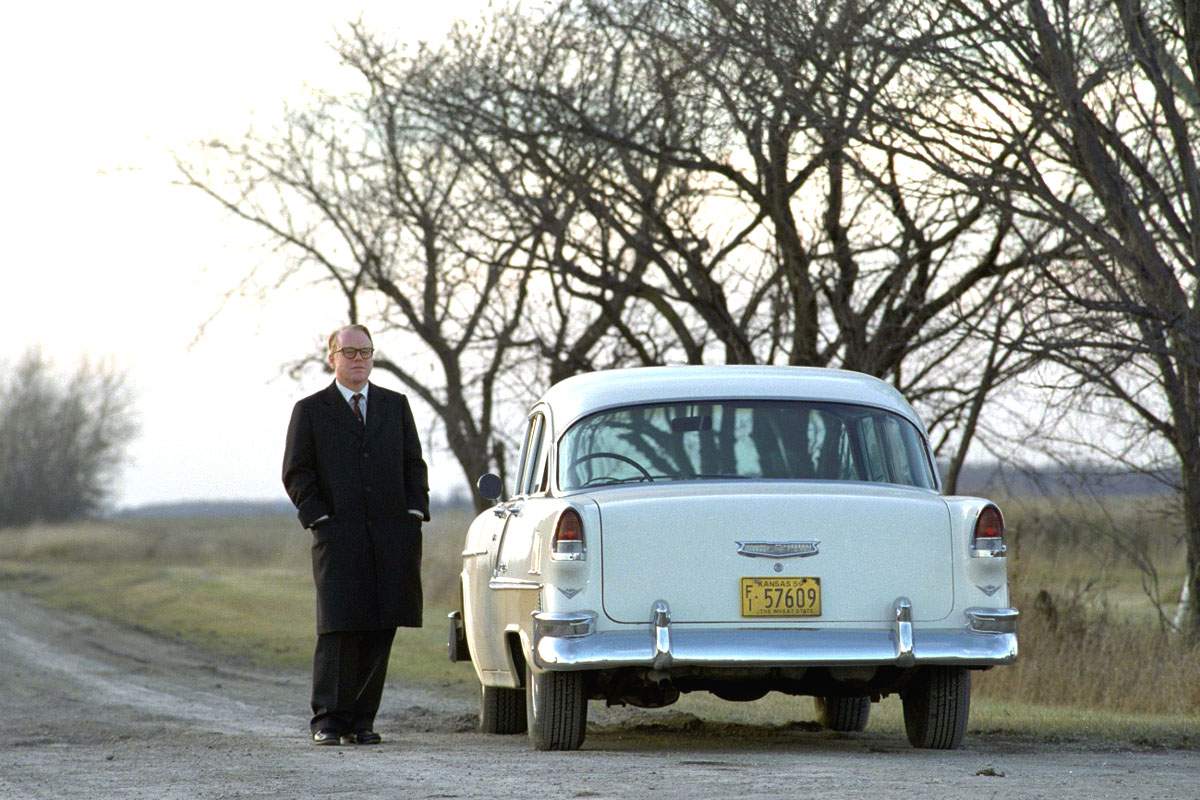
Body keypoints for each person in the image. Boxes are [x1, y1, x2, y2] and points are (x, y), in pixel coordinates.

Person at [282, 324, 430, 746]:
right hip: (338, 535)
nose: (359, 359)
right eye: (350, 352)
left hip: (391, 537)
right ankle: (328, 721)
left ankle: (362, 721)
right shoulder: (311, 410)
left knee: (381, 625)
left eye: (366, 351)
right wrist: (319, 518)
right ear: (332, 357)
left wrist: (414, 511)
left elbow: (412, 464)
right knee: (339, 627)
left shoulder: (394, 405)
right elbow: (296, 472)